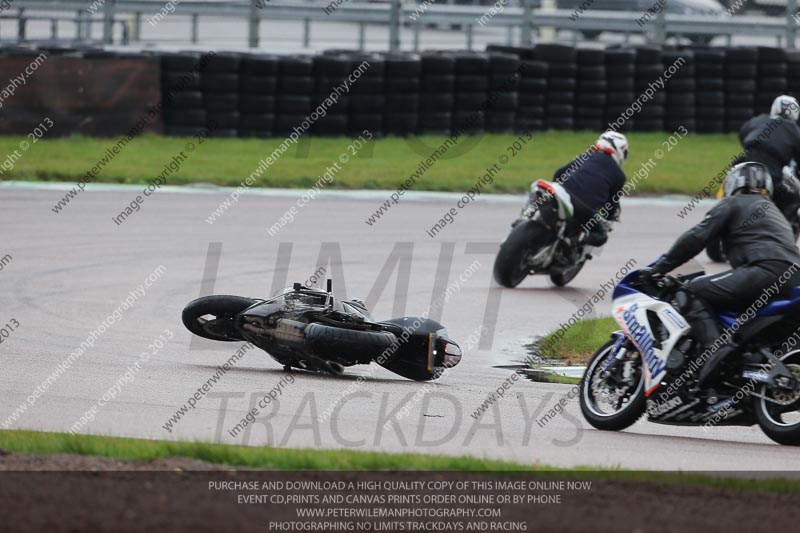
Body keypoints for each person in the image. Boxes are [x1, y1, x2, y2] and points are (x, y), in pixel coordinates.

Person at [642, 162, 800, 387]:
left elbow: (696, 237)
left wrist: (661, 268)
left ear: (732, 183)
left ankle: (714, 350)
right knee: (738, 322)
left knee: (691, 289)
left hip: (765, 271)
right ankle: (740, 368)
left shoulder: (733, 202)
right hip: (793, 278)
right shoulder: (776, 213)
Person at [546, 131, 629, 247]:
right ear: (619, 150)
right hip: (583, 208)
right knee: (601, 236)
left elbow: (559, 173)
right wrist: (610, 218)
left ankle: (525, 218)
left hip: (562, 193)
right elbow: (610, 208)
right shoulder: (619, 176)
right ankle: (572, 241)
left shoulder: (588, 156)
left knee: (543, 197)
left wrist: (557, 187)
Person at [738, 95, 800, 230]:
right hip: (771, 174)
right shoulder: (795, 131)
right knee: (795, 198)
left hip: (742, 169)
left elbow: (742, 136)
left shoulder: (757, 120)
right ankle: (784, 232)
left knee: (728, 189)